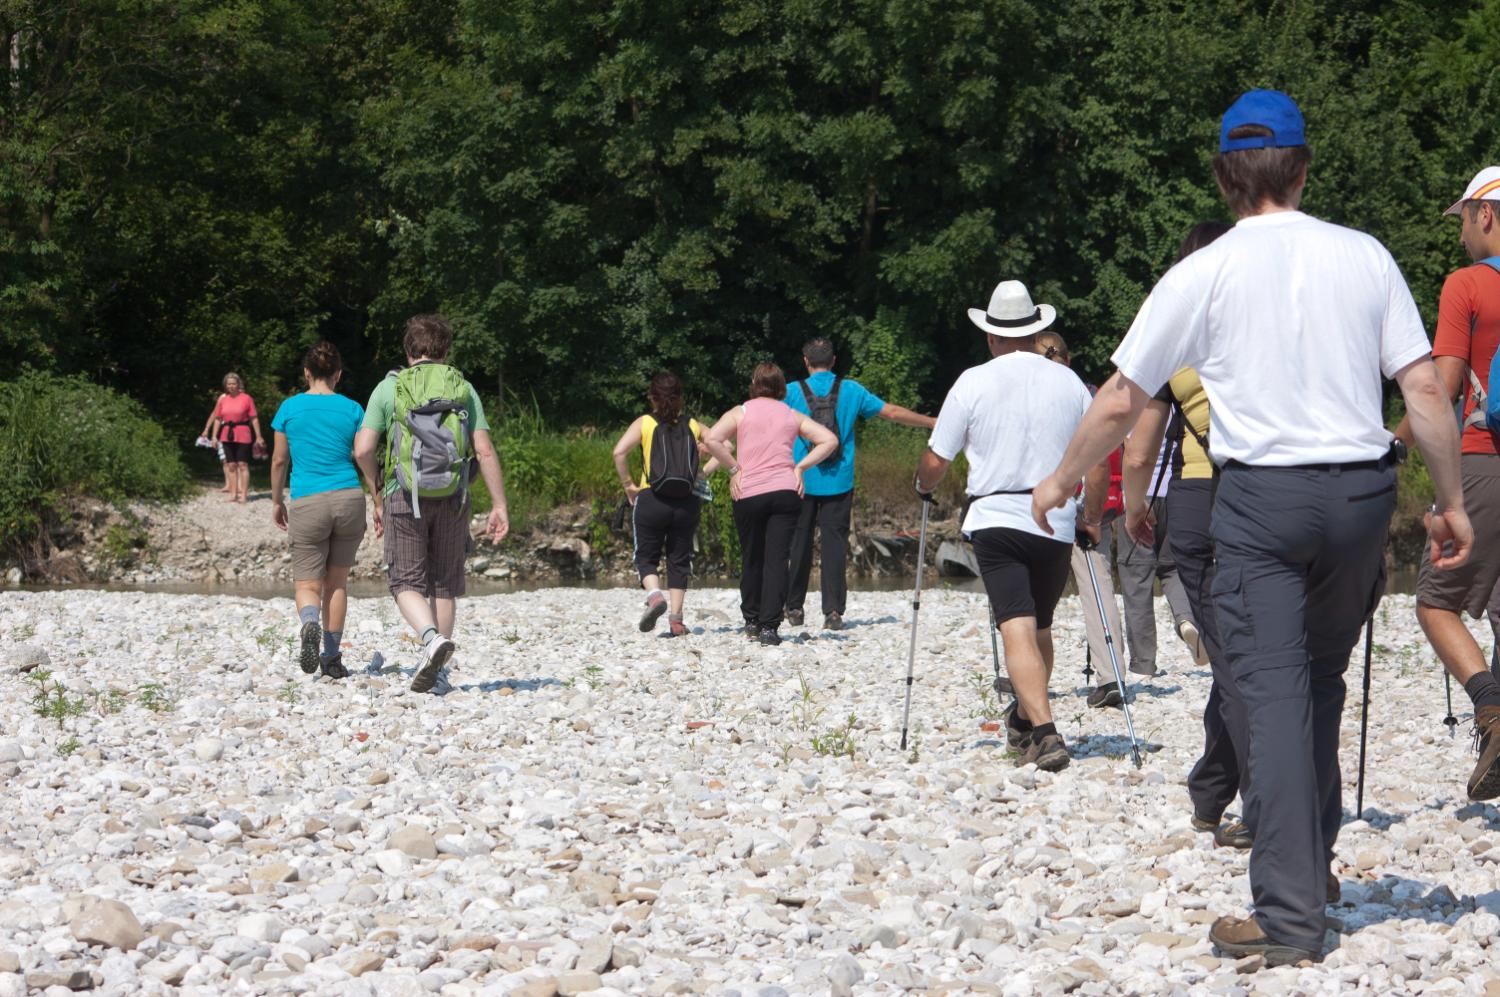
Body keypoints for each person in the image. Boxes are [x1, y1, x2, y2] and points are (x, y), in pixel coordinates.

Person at [1031, 89, 1468, 966]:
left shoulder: (1204, 271)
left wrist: (1063, 478)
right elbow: (1422, 389)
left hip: (1262, 503)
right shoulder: (1366, 256)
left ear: (1225, 177)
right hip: (1361, 502)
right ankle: (1315, 871)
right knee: (1318, 682)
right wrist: (1450, 499)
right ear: (1303, 168)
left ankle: (1290, 915)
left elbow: (1123, 396)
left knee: (1266, 697)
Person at [916, 281, 1106, 772]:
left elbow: (938, 458)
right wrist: (1091, 517)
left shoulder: (972, 381)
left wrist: (923, 484)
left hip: (996, 518)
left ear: (990, 336)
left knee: (1016, 627)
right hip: (1056, 520)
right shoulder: (1068, 382)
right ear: (1036, 329)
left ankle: (1043, 730)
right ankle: (1024, 716)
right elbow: (1098, 459)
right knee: (1039, 626)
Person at [1121, 220, 1252, 850]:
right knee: (1243, 651)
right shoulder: (1262, 321)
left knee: (1233, 662)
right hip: (1266, 491)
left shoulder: (1175, 337)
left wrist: (1135, 507)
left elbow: (1141, 445)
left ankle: (1258, 796)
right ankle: (1211, 792)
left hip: (1198, 497)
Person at [1392, 166, 1500, 803]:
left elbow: (1444, 385)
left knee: (1435, 600)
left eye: (1462, 217)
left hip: (1484, 459)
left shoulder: (1467, 286)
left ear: (1486, 214)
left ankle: (1490, 711)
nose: (1460, 232)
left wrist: (1395, 444)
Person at [353, 315, 511, 693]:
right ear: (445, 351)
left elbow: (362, 449)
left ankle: (430, 640)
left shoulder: (389, 389)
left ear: (409, 351)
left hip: (404, 494)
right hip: (454, 494)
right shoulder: (463, 388)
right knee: (444, 582)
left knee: (405, 581)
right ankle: (439, 671)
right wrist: (500, 505)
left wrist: (376, 494)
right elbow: (484, 450)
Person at [783, 337, 935, 631]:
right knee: (834, 544)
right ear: (834, 360)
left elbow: (764, 418)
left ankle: (793, 607)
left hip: (799, 478)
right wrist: (929, 422)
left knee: (798, 542)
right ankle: (833, 611)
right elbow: (890, 412)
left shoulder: (790, 391)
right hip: (839, 480)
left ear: (805, 361)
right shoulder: (851, 390)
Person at [701, 363, 837, 646]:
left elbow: (712, 438)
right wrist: (800, 468)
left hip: (748, 490)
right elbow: (829, 440)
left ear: (753, 382)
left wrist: (733, 468)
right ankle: (769, 627)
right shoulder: (791, 414)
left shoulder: (741, 411)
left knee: (752, 555)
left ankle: (751, 619)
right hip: (785, 490)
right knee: (777, 559)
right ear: (781, 387)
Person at [1033, 331, 1131, 709]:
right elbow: (1100, 459)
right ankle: (1112, 677)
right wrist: (1092, 514)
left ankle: (1026, 675)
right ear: (1068, 359)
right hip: (1081, 502)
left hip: (1037, 502)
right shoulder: (1085, 393)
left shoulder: (1028, 394)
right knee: (1097, 586)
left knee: (1028, 592)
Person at [269, 342, 371, 680]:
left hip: (308, 500)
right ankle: (331, 659)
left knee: (308, 584)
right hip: (348, 497)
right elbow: (362, 455)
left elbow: (280, 459)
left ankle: (309, 621)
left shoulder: (289, 408)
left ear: (306, 372)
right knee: (337, 582)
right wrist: (379, 499)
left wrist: (276, 500)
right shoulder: (354, 409)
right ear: (338, 374)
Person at [611, 372, 719, 637]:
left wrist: (628, 485)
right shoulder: (693, 424)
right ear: (681, 398)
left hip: (651, 498)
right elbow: (724, 444)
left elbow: (619, 452)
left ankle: (655, 596)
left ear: (652, 397)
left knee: (646, 556)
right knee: (679, 560)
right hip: (686, 502)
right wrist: (702, 473)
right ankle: (677, 620)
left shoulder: (645, 423)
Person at [209, 373, 263, 504]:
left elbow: (254, 418)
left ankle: (243, 494)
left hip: (243, 433)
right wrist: (214, 436)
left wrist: (259, 436)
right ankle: (233, 494)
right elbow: (217, 419)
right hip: (226, 435)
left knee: (243, 464)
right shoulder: (223, 400)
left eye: (234, 383)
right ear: (226, 386)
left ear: (238, 384)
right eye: (229, 384)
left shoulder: (246, 398)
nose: (231, 386)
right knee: (231, 465)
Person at [198, 394, 233, 494]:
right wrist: (207, 429)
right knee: (224, 459)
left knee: (236, 460)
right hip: (223, 431)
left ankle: (239, 485)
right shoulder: (223, 397)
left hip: (236, 431)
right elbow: (214, 414)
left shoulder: (243, 397)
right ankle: (228, 484)